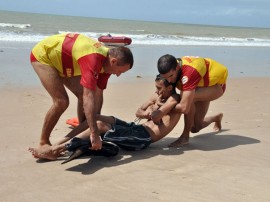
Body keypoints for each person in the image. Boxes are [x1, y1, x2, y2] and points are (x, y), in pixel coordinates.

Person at [28, 74, 182, 160]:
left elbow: (157, 116)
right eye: (156, 87)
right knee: (95, 118)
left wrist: (153, 110)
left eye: (159, 88)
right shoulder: (157, 96)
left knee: (101, 126)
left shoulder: (174, 99)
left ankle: (56, 150)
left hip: (143, 138)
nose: (156, 91)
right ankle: (59, 142)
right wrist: (149, 112)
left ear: (170, 87)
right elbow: (138, 112)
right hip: (136, 128)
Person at [30, 33, 134, 151]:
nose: (118, 75)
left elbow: (98, 94)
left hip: (66, 63)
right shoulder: (93, 59)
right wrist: (94, 132)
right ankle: (43, 142)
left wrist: (93, 123)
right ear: (114, 61)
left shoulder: (107, 67)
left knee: (83, 97)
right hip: (44, 56)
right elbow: (88, 96)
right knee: (62, 101)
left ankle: (82, 128)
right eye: (120, 71)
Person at [157, 54, 228, 147]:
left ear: (177, 67)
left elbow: (184, 108)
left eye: (171, 76)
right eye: (166, 77)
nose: (169, 80)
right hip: (198, 86)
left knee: (187, 98)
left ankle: (185, 137)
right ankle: (216, 118)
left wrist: (162, 110)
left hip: (216, 87)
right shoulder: (171, 69)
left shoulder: (189, 72)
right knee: (195, 128)